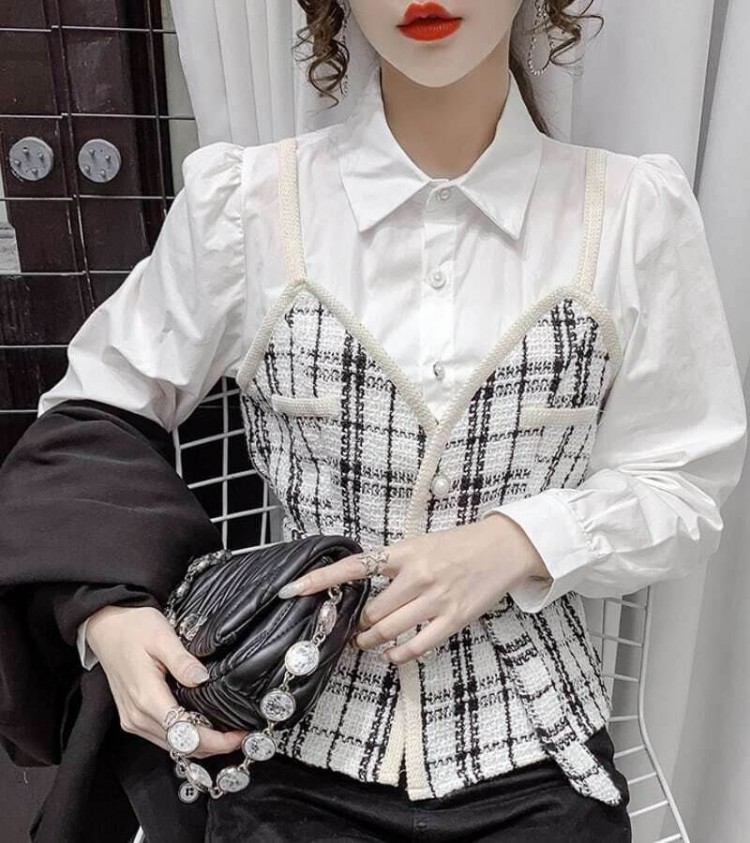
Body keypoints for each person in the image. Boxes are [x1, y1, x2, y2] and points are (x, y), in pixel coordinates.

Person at [0, 1, 746, 841]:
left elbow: (683, 480)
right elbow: (91, 413)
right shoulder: (245, 207)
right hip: (284, 749)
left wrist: (519, 540)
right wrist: (108, 613)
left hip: (538, 756)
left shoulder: (633, 213)